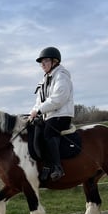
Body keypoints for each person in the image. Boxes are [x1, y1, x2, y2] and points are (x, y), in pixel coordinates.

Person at [28, 46, 74, 181]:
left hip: (61, 115)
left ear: (55, 62)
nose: (42, 64)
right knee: (34, 131)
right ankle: (45, 165)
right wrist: (33, 112)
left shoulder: (62, 76)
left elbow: (58, 99)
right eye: (41, 62)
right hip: (48, 115)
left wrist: (39, 110)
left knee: (49, 132)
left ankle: (57, 167)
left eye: (46, 61)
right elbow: (39, 101)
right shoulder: (43, 80)